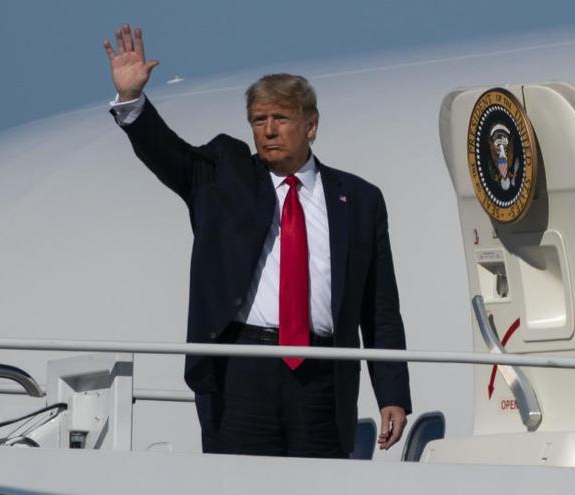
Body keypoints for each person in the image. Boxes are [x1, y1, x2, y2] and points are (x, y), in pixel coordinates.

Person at [102, 24, 411, 458]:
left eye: (281, 119)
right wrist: (133, 101)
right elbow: (167, 153)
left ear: (311, 125)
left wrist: (392, 392)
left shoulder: (358, 199)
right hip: (243, 370)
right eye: (259, 120)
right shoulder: (224, 175)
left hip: (323, 376)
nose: (268, 130)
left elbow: (379, 307)